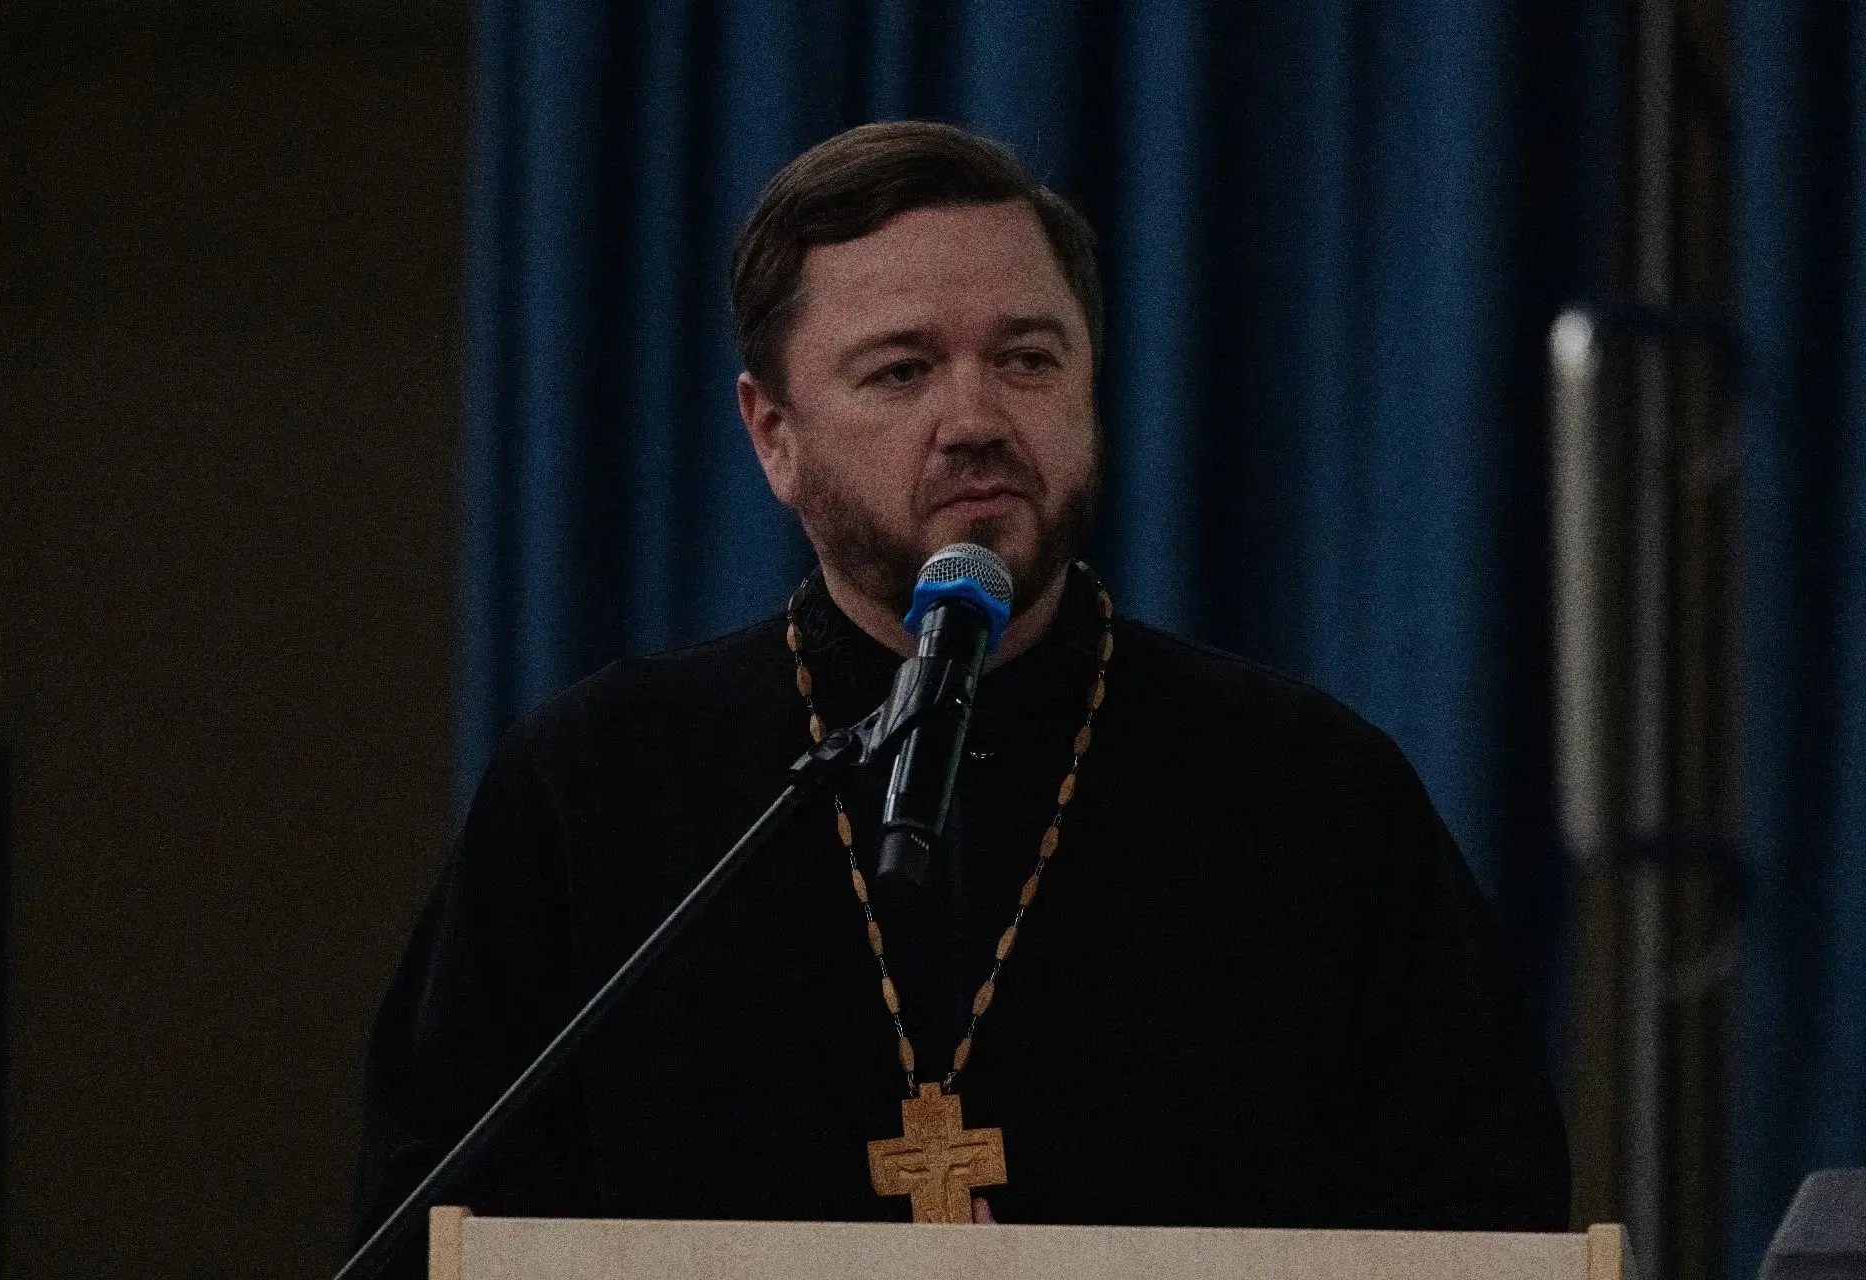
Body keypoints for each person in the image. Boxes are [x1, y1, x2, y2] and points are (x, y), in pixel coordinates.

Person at [351, 121, 1568, 1267]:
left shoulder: (1310, 792)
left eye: (1028, 359)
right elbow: (431, 1233)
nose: (976, 418)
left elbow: (1484, 1221)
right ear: (773, 433)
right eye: (902, 370)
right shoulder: (596, 790)